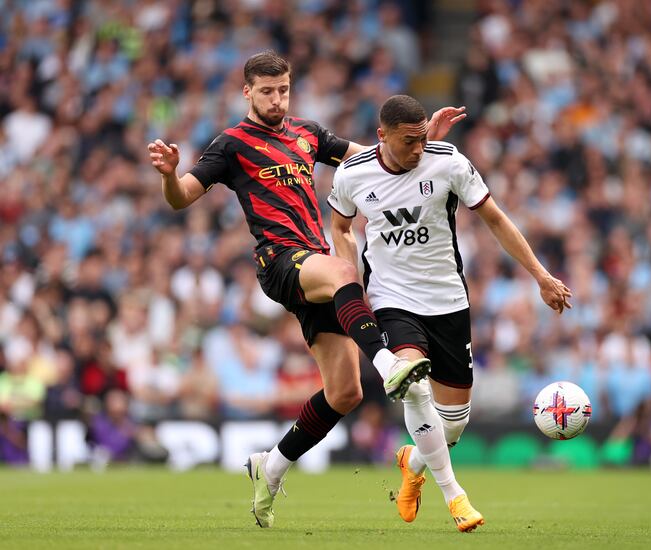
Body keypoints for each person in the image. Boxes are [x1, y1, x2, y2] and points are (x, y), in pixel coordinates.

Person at [147, 51, 464, 528]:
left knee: (345, 393)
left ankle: (269, 468)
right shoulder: (232, 144)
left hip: (314, 266)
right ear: (247, 92)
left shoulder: (308, 133)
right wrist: (170, 173)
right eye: (268, 91)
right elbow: (182, 198)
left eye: (284, 90)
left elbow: (377, 159)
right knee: (344, 270)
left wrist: (423, 145)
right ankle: (389, 364)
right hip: (279, 261)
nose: (277, 99)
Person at [328, 95, 572, 532]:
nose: (418, 149)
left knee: (453, 427)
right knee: (411, 381)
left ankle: (413, 463)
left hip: (448, 301)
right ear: (382, 136)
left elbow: (496, 220)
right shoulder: (352, 173)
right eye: (408, 141)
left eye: (423, 139)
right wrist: (349, 274)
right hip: (392, 299)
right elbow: (341, 227)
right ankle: (454, 496)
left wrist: (541, 275)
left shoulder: (448, 161)